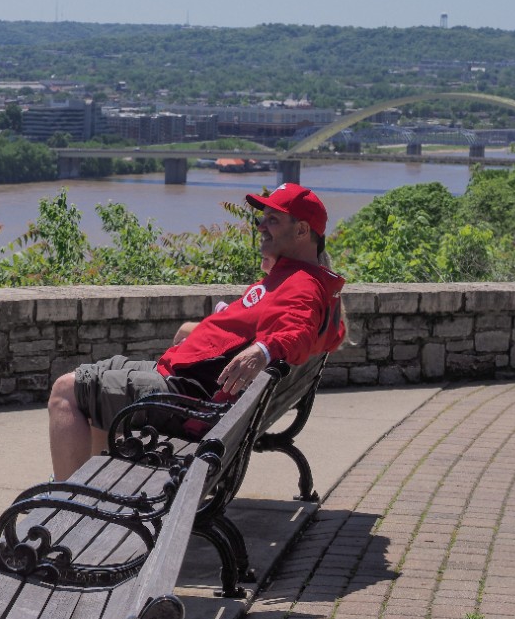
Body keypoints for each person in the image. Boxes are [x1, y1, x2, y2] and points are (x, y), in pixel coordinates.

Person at [47, 183, 346, 480]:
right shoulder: (295, 279)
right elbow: (283, 325)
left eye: (273, 220)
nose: (261, 227)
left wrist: (263, 351)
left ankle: (65, 501)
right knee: (101, 376)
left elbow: (299, 330)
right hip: (183, 383)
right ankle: (93, 485)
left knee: (66, 391)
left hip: (186, 400)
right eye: (262, 218)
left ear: (301, 230)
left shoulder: (301, 284)